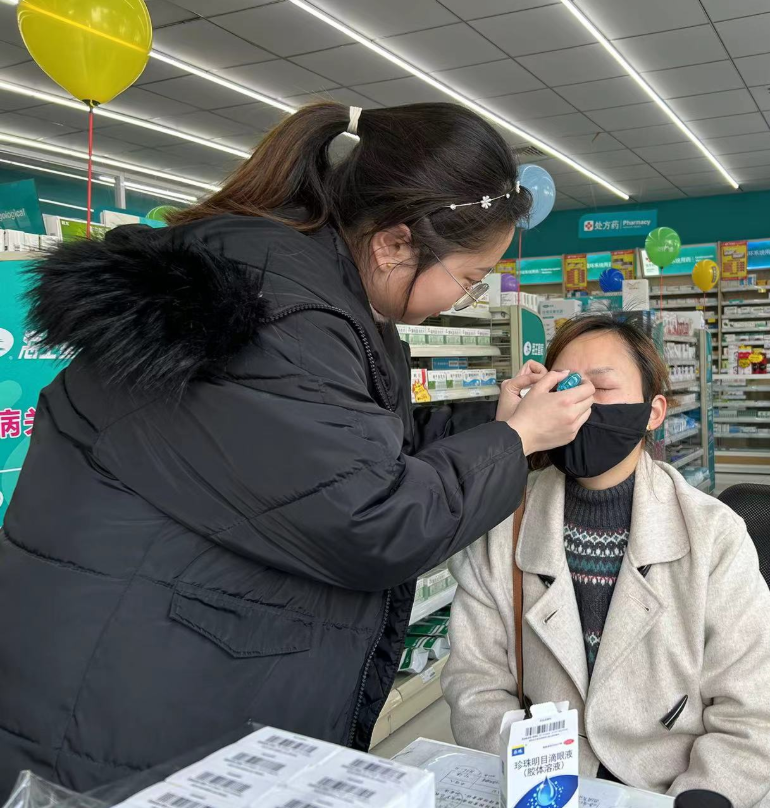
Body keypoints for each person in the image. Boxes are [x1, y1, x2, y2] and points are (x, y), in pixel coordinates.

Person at [0, 102, 595, 790]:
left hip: (156, 678)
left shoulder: (299, 291)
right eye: (467, 278)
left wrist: (494, 421)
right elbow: (372, 518)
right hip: (120, 719)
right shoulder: (279, 317)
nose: (465, 297)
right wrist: (516, 440)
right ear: (395, 244)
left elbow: (353, 450)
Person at [442, 316, 770, 806]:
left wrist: (703, 796)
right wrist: (540, 785)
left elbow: (751, 716)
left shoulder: (713, 534)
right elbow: (475, 685)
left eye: (601, 387)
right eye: (563, 386)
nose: (578, 401)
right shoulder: (503, 525)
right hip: (551, 789)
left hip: (680, 790)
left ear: (653, 412)